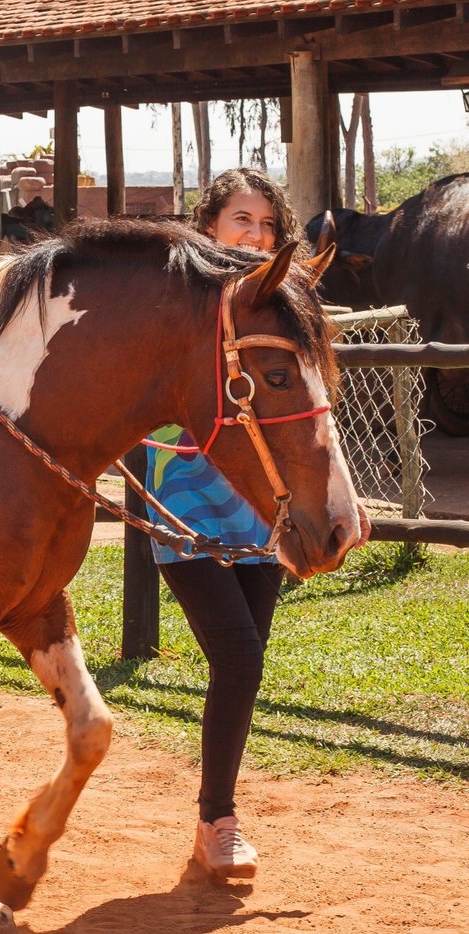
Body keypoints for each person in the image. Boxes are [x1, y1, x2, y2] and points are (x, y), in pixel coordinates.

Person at [142, 167, 302, 880]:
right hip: (184, 506)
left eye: (267, 225)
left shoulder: (276, 309)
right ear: (209, 226)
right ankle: (220, 823)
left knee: (244, 665)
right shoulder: (174, 304)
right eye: (242, 219)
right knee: (238, 656)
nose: (256, 235)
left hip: (260, 510)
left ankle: (214, 815)